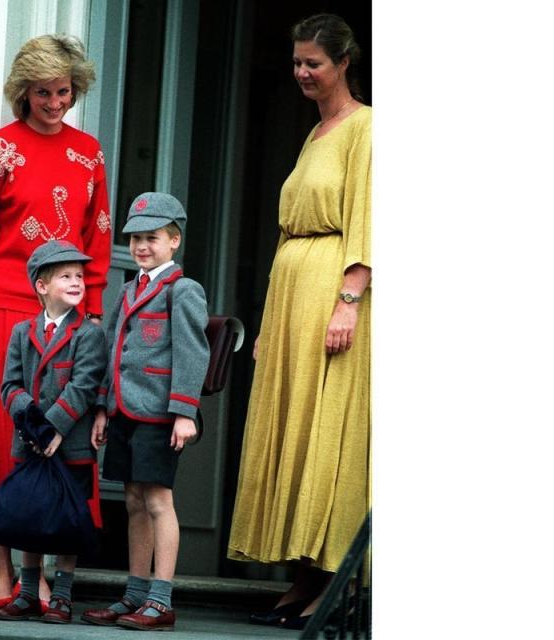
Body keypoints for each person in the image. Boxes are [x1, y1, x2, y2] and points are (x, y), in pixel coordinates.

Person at [0, 33, 111, 609]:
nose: (54, 103)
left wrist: (88, 314)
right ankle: (7, 574)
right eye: (42, 93)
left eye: (63, 92)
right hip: (1, 307)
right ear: (23, 92)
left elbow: (98, 238)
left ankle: (45, 572)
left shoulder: (89, 153)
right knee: (5, 441)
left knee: (61, 439)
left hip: (67, 315)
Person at [227, 13, 372, 630]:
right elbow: (290, 228)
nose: (302, 73)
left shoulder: (368, 127)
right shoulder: (316, 133)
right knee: (292, 428)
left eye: (313, 62)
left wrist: (350, 297)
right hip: (293, 293)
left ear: (344, 63)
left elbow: (372, 214)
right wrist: (267, 321)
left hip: (333, 288)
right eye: (296, 63)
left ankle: (330, 582)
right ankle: (299, 578)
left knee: (326, 430)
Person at [80, 193, 210, 632]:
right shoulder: (131, 288)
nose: (141, 246)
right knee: (133, 501)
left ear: (174, 241)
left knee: (157, 500)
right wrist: (102, 406)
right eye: (135, 238)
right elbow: (112, 349)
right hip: (124, 411)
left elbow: (193, 353)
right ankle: (134, 594)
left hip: (160, 413)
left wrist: (185, 411)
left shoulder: (182, 290)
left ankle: (161, 598)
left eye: (152, 238)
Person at [0, 240, 108, 624]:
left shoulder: (88, 334)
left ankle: (61, 595)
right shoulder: (22, 332)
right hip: (30, 442)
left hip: (70, 443)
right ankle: (27, 592)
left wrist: (53, 428)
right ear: (42, 286)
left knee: (68, 520)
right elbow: (10, 385)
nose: (77, 282)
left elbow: (84, 384)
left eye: (80, 276)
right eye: (66, 276)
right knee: (31, 516)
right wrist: (34, 428)